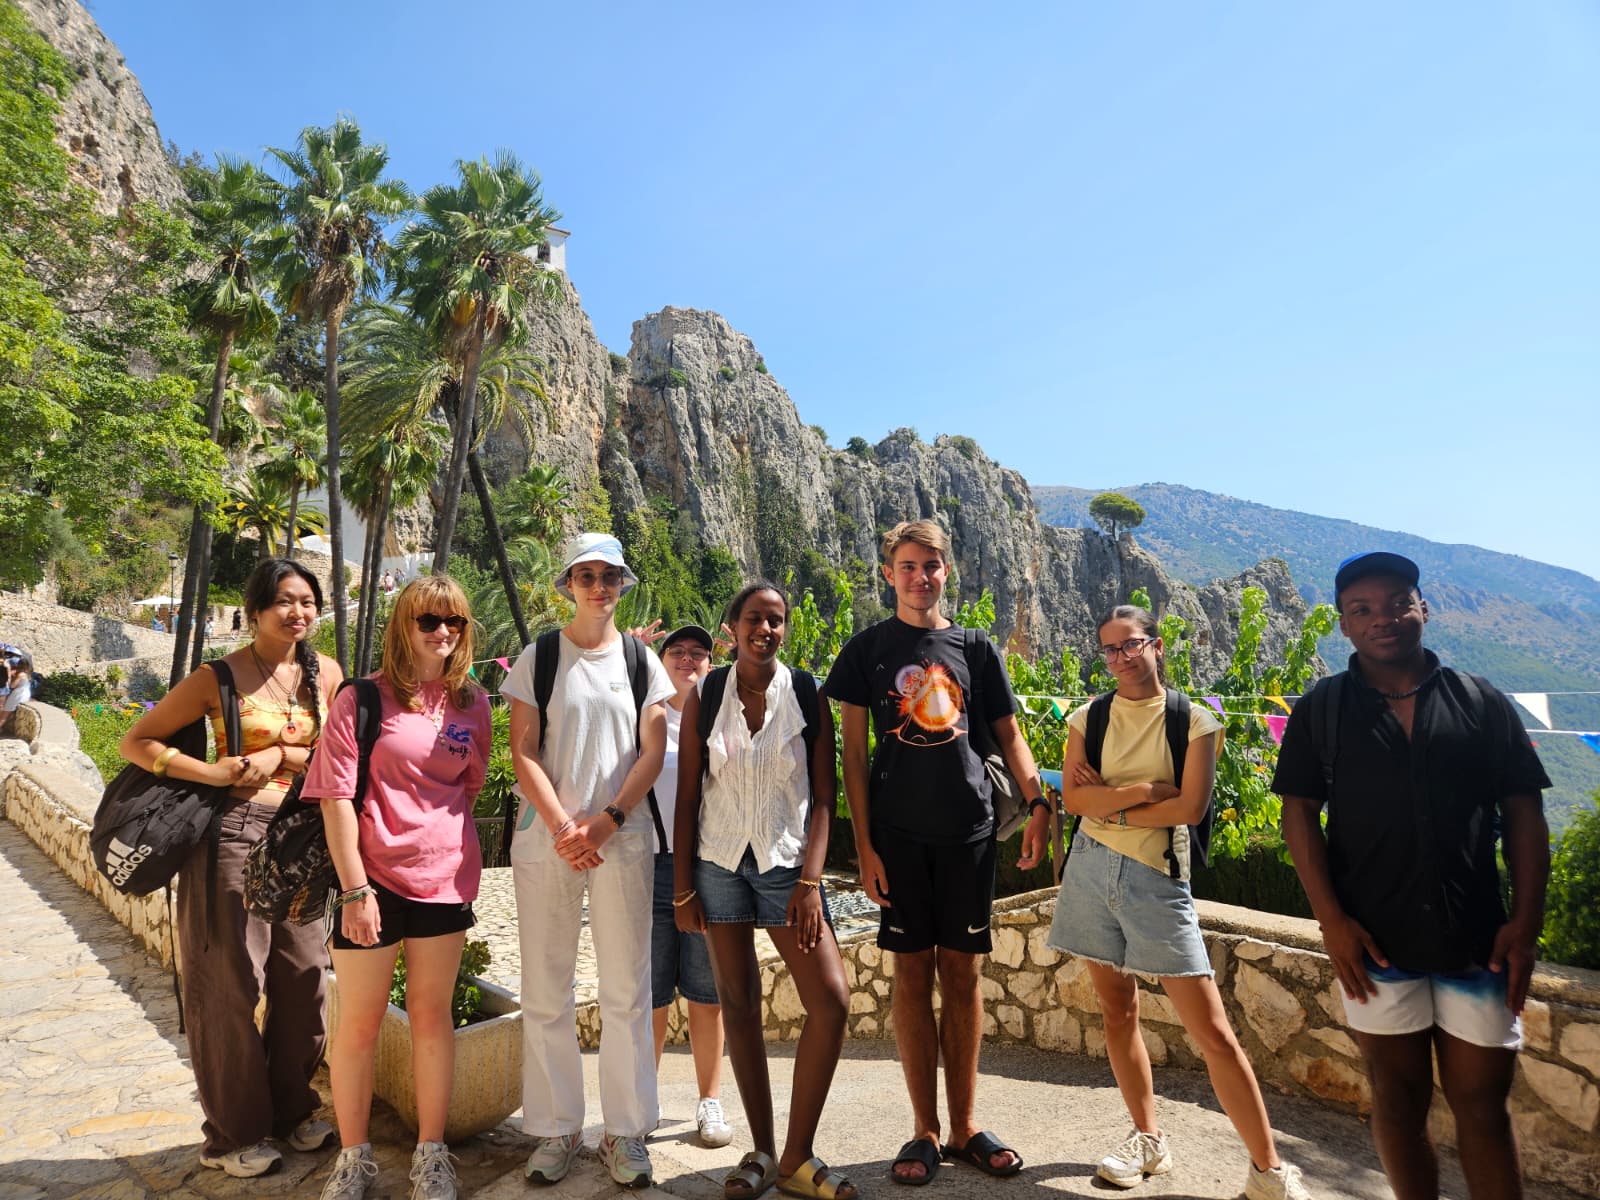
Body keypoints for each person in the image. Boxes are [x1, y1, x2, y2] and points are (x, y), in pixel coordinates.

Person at [1274, 552, 1550, 1200]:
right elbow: (1299, 816)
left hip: (1479, 942)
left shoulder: (1482, 702)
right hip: (1373, 945)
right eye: (1362, 610)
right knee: (1397, 1102)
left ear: (1423, 607)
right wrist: (1333, 923)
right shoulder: (1322, 709)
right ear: (1343, 625)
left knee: (1483, 1107)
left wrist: (1527, 923)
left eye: (1398, 601)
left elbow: (1524, 814)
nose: (1384, 619)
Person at [1037, 605, 1309, 1199]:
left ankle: (1269, 1173)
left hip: (1156, 879)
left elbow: (1188, 808)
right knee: (1117, 1011)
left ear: (1155, 645)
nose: (1119, 659)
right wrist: (1136, 793)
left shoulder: (1195, 722)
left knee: (1213, 1032)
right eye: (1108, 650)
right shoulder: (1090, 716)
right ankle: (1147, 1137)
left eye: (1129, 646)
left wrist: (1109, 802)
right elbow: (1076, 803)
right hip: (1087, 871)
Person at [824, 519, 1047, 1185]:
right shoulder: (865, 651)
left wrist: (1038, 804)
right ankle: (923, 1130)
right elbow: (854, 759)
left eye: (933, 566)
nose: (922, 577)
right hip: (898, 838)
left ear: (948, 571)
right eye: (910, 565)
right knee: (913, 977)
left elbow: (1011, 738)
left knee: (963, 976)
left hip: (970, 834)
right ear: (889, 573)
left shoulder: (975, 649)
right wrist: (862, 844)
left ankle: (965, 1126)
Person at [119, 558, 344, 1178]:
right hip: (234, 835)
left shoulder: (325, 674)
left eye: (307, 602)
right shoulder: (218, 677)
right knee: (228, 985)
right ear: (255, 611)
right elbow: (137, 741)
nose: (298, 613)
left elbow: (335, 751)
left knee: (303, 978)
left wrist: (281, 752)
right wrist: (212, 771)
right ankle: (232, 1134)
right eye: (284, 602)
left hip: (303, 836)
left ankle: (292, 1111)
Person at [302, 576, 491, 1200]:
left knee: (433, 1020)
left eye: (455, 622)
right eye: (429, 620)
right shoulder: (362, 700)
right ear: (403, 626)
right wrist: (355, 892)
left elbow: (466, 788)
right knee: (357, 1025)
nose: (444, 633)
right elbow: (333, 798)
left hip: (444, 882)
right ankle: (354, 1158)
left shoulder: (473, 705)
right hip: (373, 886)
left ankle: (431, 1155)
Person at [501, 533, 674, 1188]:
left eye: (610, 576)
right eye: (587, 574)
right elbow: (523, 749)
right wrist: (562, 826)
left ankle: (625, 1133)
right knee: (546, 989)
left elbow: (651, 752)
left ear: (622, 584)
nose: (599, 586)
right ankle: (554, 1130)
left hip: (620, 841)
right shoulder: (540, 657)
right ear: (568, 583)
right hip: (548, 841)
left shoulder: (639, 662)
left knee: (627, 990)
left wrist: (605, 823)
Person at [677, 584, 851, 1200]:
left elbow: (825, 798)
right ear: (732, 628)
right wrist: (681, 889)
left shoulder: (807, 693)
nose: (766, 629)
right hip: (718, 866)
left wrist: (810, 880)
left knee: (831, 1001)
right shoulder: (708, 695)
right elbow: (689, 795)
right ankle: (761, 1150)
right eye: (755, 619)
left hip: (785, 869)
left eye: (776, 620)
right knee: (741, 1006)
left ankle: (797, 1156)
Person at [648, 623, 734, 1148]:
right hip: (652, 866)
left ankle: (710, 1100)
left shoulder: (720, 719)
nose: (687, 659)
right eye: (675, 651)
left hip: (707, 866)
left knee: (707, 994)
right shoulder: (645, 716)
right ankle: (645, 1099)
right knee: (652, 993)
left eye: (698, 652)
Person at [1, 656, 32, 735]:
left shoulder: (20, 675)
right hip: (25, 694)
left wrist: (11, 678)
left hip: (17, 695)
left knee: (4, 714)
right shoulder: (28, 674)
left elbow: (12, 686)